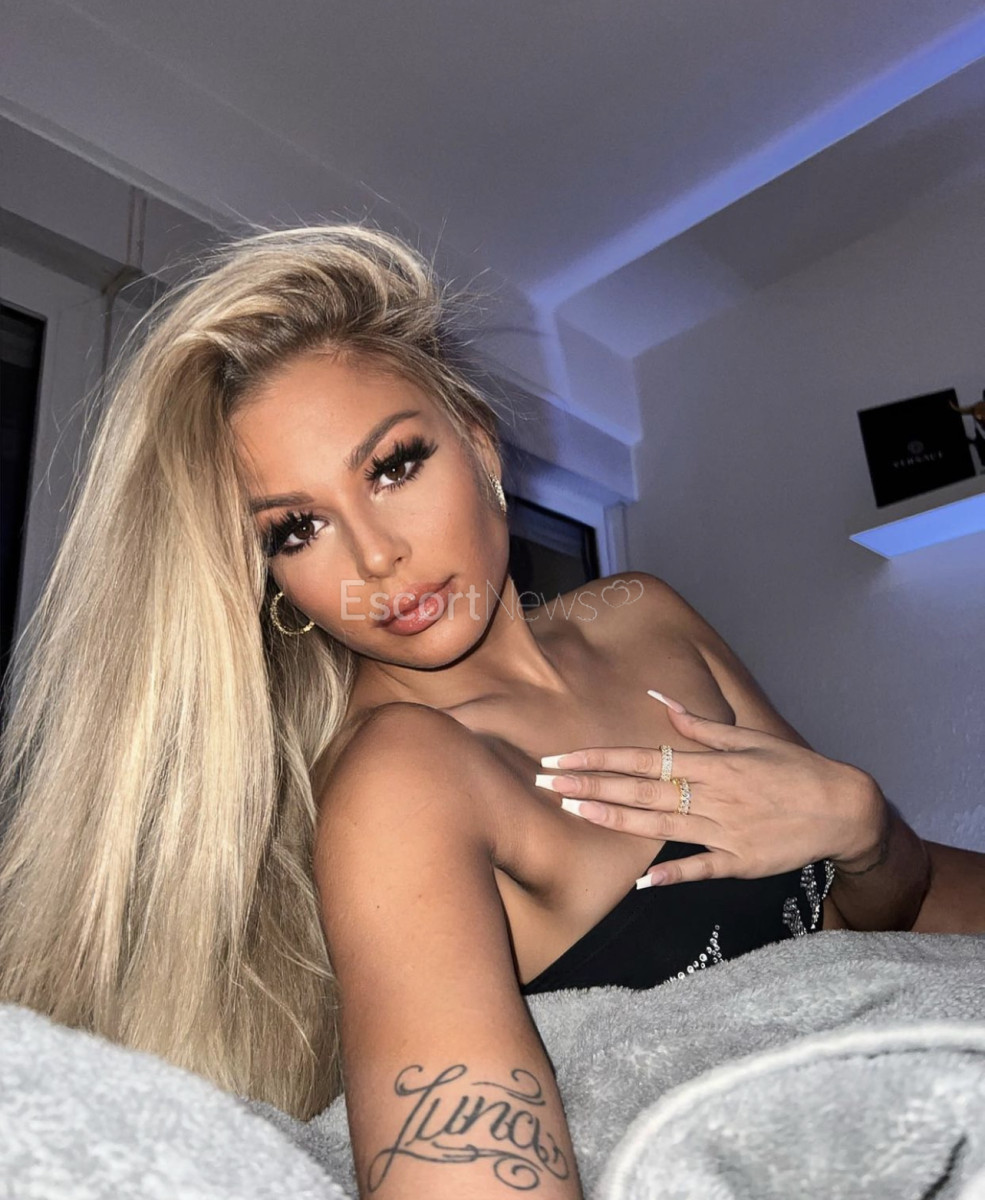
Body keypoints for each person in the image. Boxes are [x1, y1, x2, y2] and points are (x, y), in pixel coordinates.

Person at [0, 224, 947, 1200]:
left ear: (479, 444)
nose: (375, 556)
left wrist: (865, 828)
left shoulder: (644, 618)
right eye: (297, 528)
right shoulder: (403, 780)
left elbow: (851, 923)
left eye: (392, 466)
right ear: (269, 576)